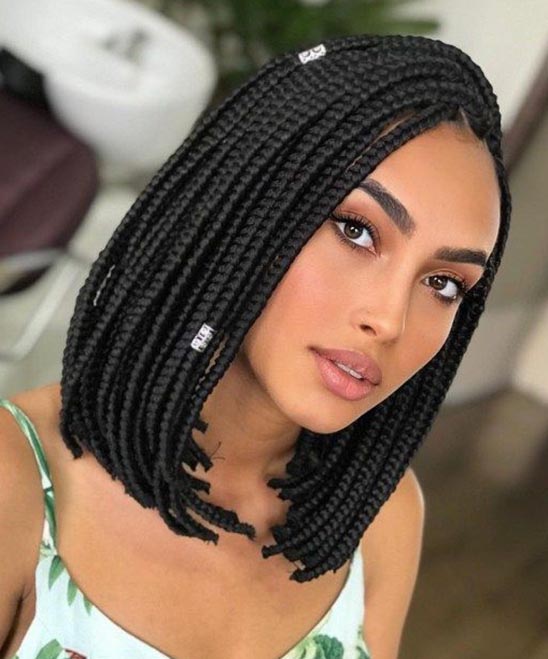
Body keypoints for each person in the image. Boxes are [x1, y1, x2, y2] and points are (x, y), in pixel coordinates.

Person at [0, 33, 510, 659]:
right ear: (247, 206)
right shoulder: (14, 484)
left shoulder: (380, 514)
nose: (390, 320)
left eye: (443, 283)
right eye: (355, 230)